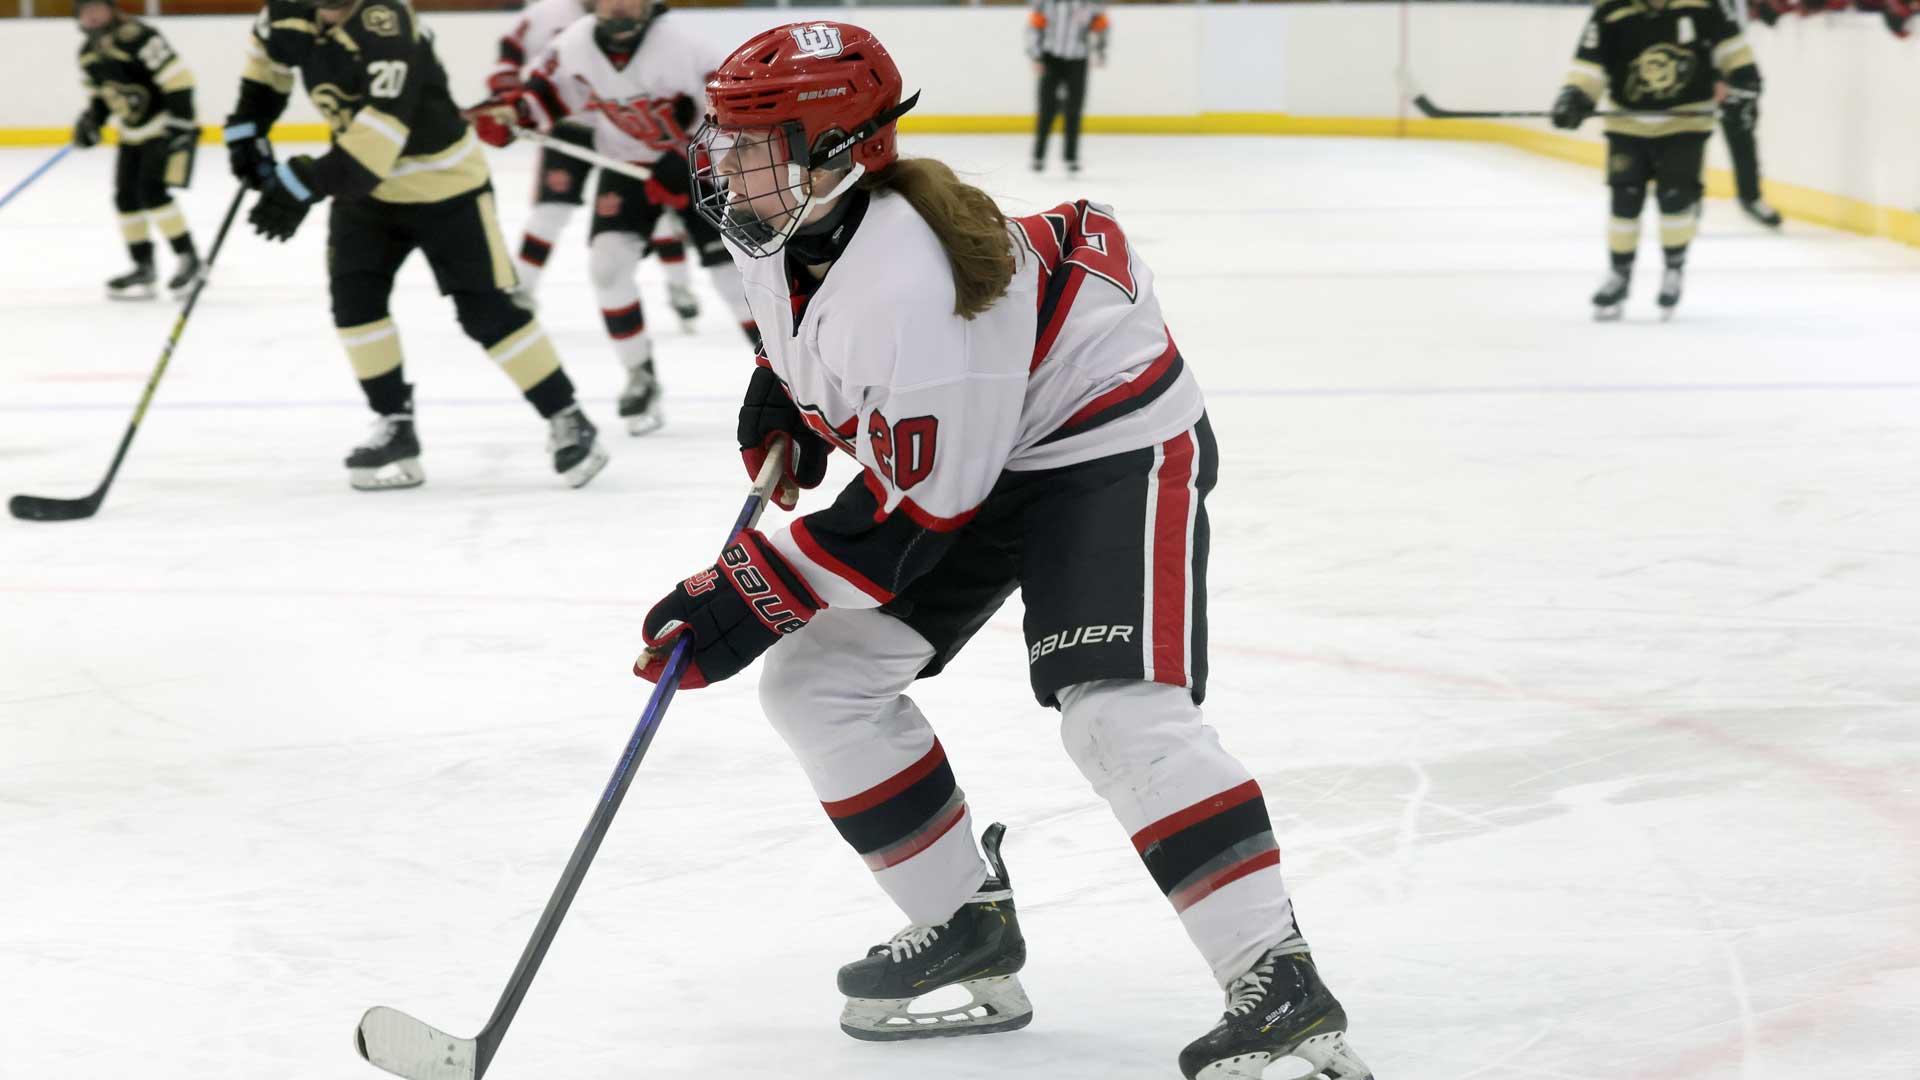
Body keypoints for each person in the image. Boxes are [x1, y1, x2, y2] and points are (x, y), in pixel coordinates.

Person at [631, 22, 1375, 1080]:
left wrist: (746, 594)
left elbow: (914, 517)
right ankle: (964, 923)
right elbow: (804, 327)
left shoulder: (913, 281)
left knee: (1117, 713)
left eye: (756, 141)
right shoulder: (781, 220)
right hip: (985, 438)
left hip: (1103, 440)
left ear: (839, 152)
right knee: (819, 683)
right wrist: (787, 394)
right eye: (727, 134)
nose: (725, 159)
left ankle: (1279, 982)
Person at [223, 0, 608, 490]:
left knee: (487, 312)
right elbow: (266, 68)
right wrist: (247, 132)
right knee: (354, 305)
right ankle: (395, 425)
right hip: (366, 194)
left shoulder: (386, 23)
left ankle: (568, 416)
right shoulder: (285, 12)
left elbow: (376, 143)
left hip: (445, 187)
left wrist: (304, 183)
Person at [474, 0, 762, 437]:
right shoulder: (574, 43)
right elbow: (545, 93)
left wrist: (693, 160)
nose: (619, 6)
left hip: (699, 171)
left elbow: (737, 119)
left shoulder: (687, 48)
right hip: (626, 168)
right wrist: (513, 114)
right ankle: (639, 373)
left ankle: (782, 372)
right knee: (607, 266)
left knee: (731, 278)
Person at [484, 0, 701, 324]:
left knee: (656, 205)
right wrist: (511, 104)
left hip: (630, 129)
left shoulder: (647, 22)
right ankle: (522, 291)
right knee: (551, 209)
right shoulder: (547, 13)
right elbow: (509, 54)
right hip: (570, 127)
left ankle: (679, 285)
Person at [1553, 0, 1761, 320]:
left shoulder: (1704, 6)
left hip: (1685, 122)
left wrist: (1745, 86)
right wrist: (1575, 96)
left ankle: (1674, 267)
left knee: (1676, 198)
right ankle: (1619, 272)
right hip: (1627, 123)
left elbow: (1733, 51)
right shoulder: (1612, 10)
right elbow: (1590, 64)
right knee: (1624, 200)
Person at [73, 0, 203, 300]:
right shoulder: (87, 53)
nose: (92, 15)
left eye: (97, 7)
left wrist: (181, 124)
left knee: (152, 192)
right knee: (125, 197)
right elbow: (102, 98)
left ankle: (188, 258)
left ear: (111, 9)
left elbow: (178, 78)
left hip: (163, 125)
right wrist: (92, 122)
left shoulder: (140, 37)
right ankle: (143, 265)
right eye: (85, 10)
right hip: (131, 133)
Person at [1716, 0, 1780, 228]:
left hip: (1735, 59)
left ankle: (1750, 196)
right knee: (1687, 133)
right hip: (1696, 56)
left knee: (1742, 126)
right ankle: (1685, 196)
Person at [1027, 0, 1108, 175]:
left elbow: (1101, 25)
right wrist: (1036, 56)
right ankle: (1039, 156)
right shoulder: (1046, 4)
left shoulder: (1089, 5)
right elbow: (1035, 27)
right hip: (1051, 58)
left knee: (1074, 108)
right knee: (1046, 108)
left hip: (1077, 60)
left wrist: (1100, 50)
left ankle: (1071, 157)